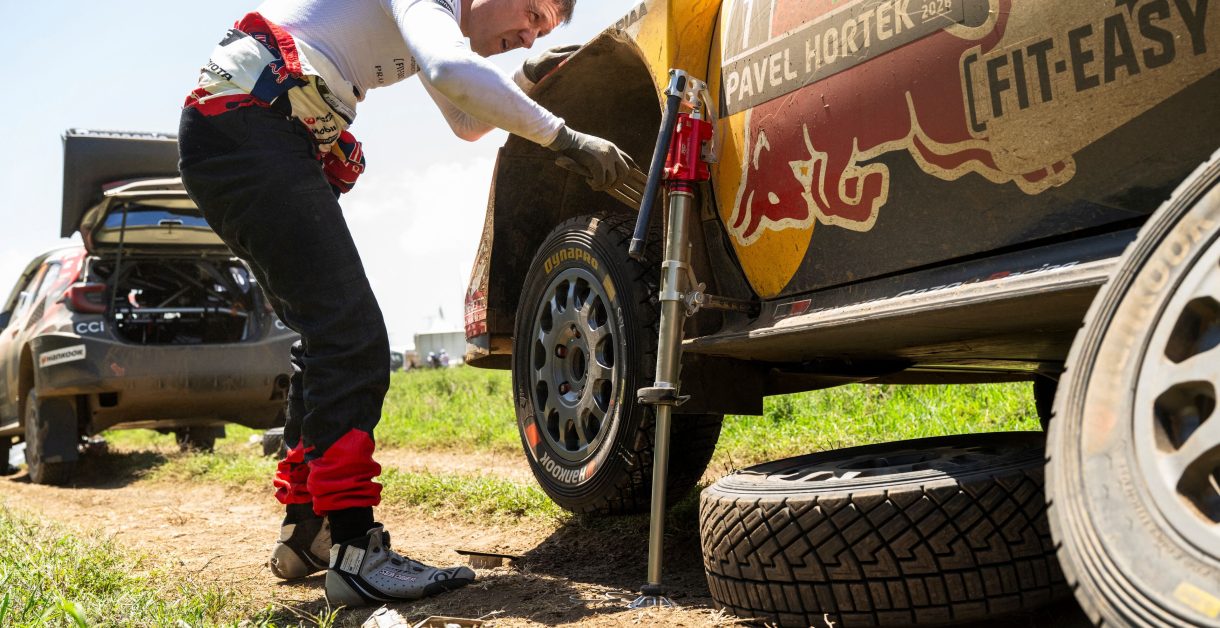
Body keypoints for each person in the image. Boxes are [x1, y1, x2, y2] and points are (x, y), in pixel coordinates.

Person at [177, 0, 632, 607]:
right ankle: (356, 553)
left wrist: (527, 79)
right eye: (532, 11)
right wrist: (566, 137)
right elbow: (451, 72)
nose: (528, 36)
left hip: (244, 128)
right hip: (252, 125)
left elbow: (465, 120)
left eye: (541, 31)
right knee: (351, 338)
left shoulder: (433, 27)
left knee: (327, 335)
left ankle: (308, 533)